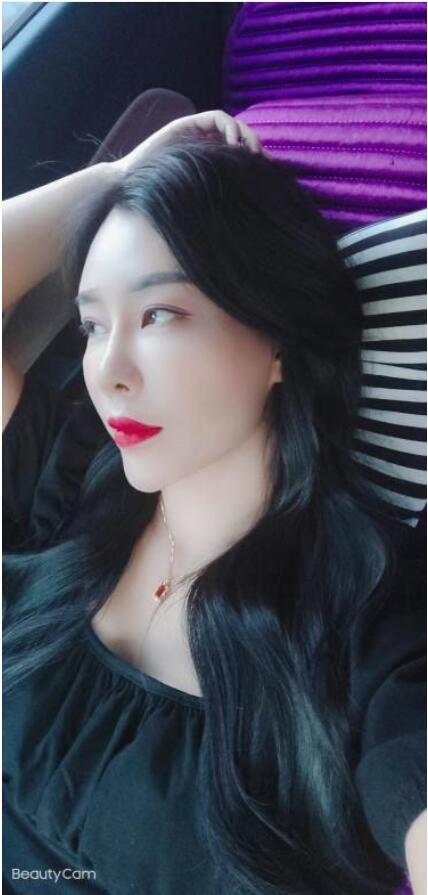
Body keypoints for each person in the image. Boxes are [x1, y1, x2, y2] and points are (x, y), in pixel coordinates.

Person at [3, 99, 426, 895]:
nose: (108, 372)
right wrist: (117, 177)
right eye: (93, 326)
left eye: (159, 313)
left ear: (277, 340)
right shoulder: (68, 481)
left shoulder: (371, 607)